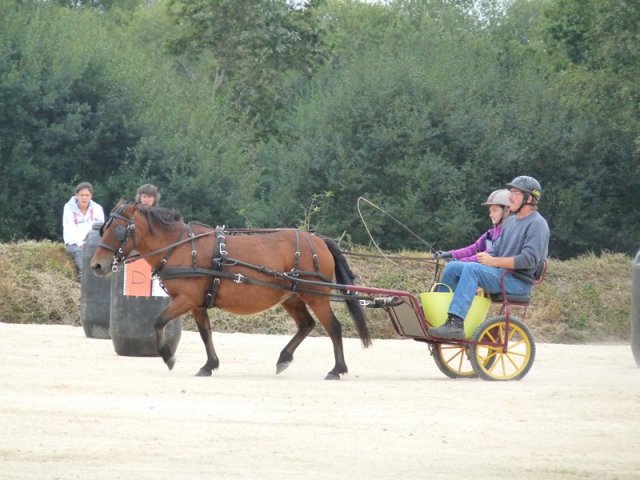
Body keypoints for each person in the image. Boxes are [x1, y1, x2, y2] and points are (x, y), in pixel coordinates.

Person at [428, 176, 550, 339]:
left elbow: (529, 260)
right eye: (511, 192)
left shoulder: (537, 224)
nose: (510, 197)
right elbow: (495, 250)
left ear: (529, 198)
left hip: (518, 282)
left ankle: (455, 324)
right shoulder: (511, 222)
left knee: (472, 270)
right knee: (453, 267)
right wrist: (478, 258)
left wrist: (493, 261)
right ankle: (442, 318)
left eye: (516, 193)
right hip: (501, 275)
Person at [433, 189, 511, 262]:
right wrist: (450, 254)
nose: (491, 215)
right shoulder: (490, 234)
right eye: (490, 211)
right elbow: (473, 249)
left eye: (494, 210)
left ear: (507, 211)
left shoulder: (509, 235)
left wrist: (460, 261)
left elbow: (487, 254)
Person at [62, 181, 105, 280]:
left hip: (93, 243)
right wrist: (80, 244)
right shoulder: (68, 208)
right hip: (74, 244)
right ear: (76, 195)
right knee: (79, 253)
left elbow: (101, 229)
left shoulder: (98, 208)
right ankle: (84, 276)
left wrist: (91, 243)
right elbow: (69, 228)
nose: (84, 198)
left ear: (91, 196)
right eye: (82, 195)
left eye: (87, 195)